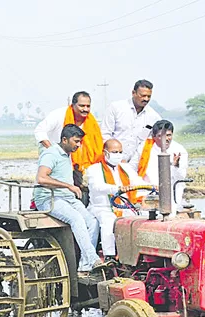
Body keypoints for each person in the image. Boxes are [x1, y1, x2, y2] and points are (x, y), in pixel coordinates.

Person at [33, 124, 102, 272]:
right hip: (49, 198)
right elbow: (41, 178)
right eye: (76, 141)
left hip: (66, 198)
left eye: (80, 142)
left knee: (93, 222)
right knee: (76, 219)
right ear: (64, 140)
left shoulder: (67, 154)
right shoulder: (51, 154)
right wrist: (68, 186)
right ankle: (93, 258)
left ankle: (85, 265)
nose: (78, 145)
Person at [85, 139, 149, 260]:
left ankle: (134, 256)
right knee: (109, 223)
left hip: (124, 207)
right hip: (101, 208)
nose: (118, 155)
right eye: (114, 152)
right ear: (105, 153)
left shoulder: (125, 168)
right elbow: (97, 186)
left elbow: (137, 181)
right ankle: (109, 256)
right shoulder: (94, 169)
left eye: (120, 152)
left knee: (139, 221)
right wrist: (118, 189)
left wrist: (151, 186)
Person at [130, 119, 188, 208]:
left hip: (171, 194)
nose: (166, 139)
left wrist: (176, 166)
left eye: (168, 135)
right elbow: (131, 170)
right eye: (161, 136)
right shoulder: (144, 149)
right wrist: (144, 185)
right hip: (147, 192)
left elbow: (180, 177)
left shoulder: (179, 150)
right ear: (153, 136)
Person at [101, 79, 162, 162]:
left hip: (137, 163)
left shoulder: (154, 117)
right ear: (133, 93)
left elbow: (150, 143)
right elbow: (105, 134)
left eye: (149, 96)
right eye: (143, 95)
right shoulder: (116, 108)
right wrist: (114, 156)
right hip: (112, 161)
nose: (146, 99)